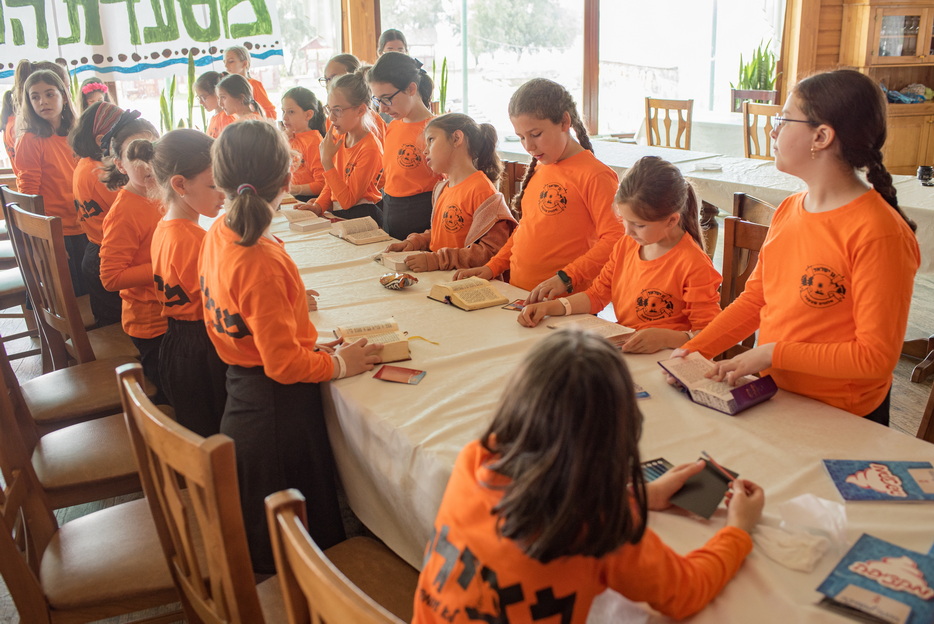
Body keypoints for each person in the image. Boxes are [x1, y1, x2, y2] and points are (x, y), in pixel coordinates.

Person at [414, 328, 764, 623]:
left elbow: (545, 491)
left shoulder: (476, 458)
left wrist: (639, 496)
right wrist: (738, 530)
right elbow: (686, 592)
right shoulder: (602, 524)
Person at [674, 69, 920, 425]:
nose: (772, 131)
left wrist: (772, 353)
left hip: (842, 414)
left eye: (783, 120)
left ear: (821, 136)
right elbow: (756, 300)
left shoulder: (879, 232)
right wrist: (692, 352)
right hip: (777, 395)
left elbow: (874, 359)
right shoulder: (790, 209)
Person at [198, 120, 382, 572]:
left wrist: (304, 331)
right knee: (298, 547)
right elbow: (282, 364)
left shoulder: (220, 231)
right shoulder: (258, 256)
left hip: (245, 394)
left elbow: (250, 317)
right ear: (286, 180)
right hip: (277, 411)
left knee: (274, 535)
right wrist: (339, 364)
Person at [518, 156, 721, 354]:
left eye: (639, 225)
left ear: (671, 221)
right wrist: (549, 307)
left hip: (669, 358)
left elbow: (710, 334)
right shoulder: (627, 244)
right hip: (629, 351)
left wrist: (667, 339)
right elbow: (596, 295)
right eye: (624, 220)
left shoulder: (693, 264)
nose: (628, 231)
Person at [454, 78, 625, 303]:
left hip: (564, 303)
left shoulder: (596, 174)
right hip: (520, 295)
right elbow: (526, 228)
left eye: (535, 134)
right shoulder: (542, 167)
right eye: (521, 137)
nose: (529, 146)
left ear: (564, 122)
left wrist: (567, 277)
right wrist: (492, 267)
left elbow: (615, 238)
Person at [150, 129, 228, 437]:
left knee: (199, 433)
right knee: (216, 437)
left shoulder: (164, 227)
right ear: (180, 184)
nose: (223, 194)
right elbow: (227, 303)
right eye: (214, 185)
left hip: (177, 345)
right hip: (204, 350)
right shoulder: (195, 239)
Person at [384, 113, 516, 271]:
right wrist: (416, 242)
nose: (425, 151)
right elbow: (442, 234)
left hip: (465, 281)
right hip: (441, 276)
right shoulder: (442, 188)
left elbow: (491, 252)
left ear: (456, 138)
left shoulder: (482, 191)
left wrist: (438, 260)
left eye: (431, 140)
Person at [99, 116, 166, 398]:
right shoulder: (124, 212)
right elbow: (111, 277)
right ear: (120, 165)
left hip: (174, 309)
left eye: (151, 152)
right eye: (135, 156)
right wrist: (165, 266)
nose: (146, 164)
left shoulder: (162, 192)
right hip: (154, 324)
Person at [14, 69, 88, 295]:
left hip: (84, 222)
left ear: (64, 97)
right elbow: (28, 194)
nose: (42, 102)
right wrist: (43, 238)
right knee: (71, 297)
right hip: (55, 229)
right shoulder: (30, 139)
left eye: (49, 94)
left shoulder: (76, 133)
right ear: (29, 103)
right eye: (35, 97)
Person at [368, 52, 441, 239]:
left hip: (422, 220)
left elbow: (449, 186)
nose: (382, 108)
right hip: (392, 213)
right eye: (377, 100)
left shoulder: (436, 131)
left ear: (411, 89)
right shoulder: (393, 126)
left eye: (387, 99)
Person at [68, 101, 126, 326]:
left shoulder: (85, 164)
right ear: (103, 139)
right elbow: (128, 213)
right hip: (109, 257)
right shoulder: (100, 172)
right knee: (118, 325)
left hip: (96, 252)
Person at [304, 69, 383, 222]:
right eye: (329, 109)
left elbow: (347, 201)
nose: (331, 117)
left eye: (337, 110)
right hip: (340, 213)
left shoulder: (370, 148)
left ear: (361, 110)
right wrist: (319, 205)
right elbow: (333, 182)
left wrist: (327, 162)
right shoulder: (340, 136)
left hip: (362, 216)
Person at [319, 53, 387, 141]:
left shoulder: (374, 123)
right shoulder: (331, 119)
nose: (329, 84)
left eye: (334, 78)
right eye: (326, 79)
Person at [281, 87, 326, 201]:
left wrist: (294, 189)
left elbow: (322, 184)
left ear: (308, 115)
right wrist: (281, 139)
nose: (284, 117)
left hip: (308, 200)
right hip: (290, 197)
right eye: (283, 111)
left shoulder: (314, 142)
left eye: (291, 112)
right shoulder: (287, 137)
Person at [223, 45, 277, 119]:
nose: (226, 66)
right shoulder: (227, 88)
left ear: (244, 63)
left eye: (231, 61)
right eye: (224, 62)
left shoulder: (254, 84)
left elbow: (271, 113)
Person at [195, 71, 233, 139]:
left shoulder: (226, 118)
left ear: (217, 93)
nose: (200, 102)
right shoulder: (215, 117)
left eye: (203, 98)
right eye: (198, 98)